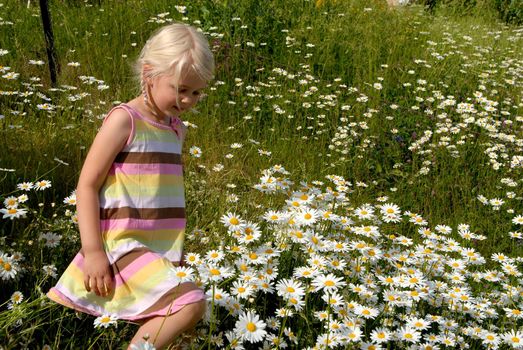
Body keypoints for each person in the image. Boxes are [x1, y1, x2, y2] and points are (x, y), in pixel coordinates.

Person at [47, 23, 214, 349]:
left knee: (185, 323)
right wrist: (93, 251)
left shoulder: (176, 129)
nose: (188, 100)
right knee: (190, 304)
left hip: (161, 250)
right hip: (122, 245)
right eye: (180, 89)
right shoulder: (125, 120)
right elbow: (86, 184)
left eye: (196, 92)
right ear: (149, 74)